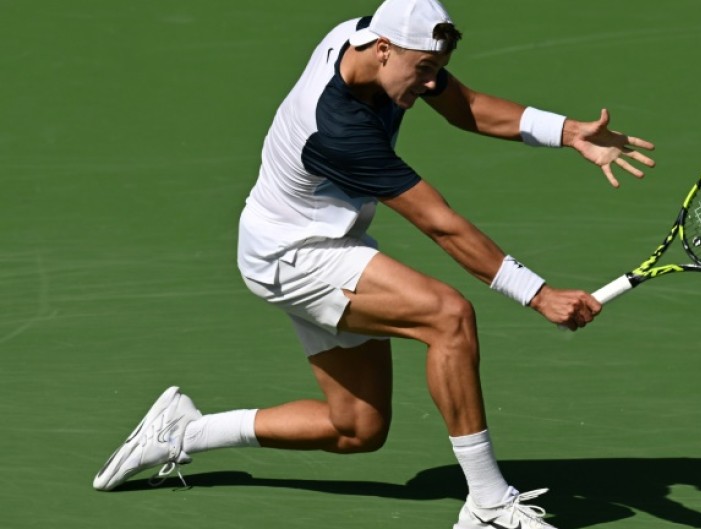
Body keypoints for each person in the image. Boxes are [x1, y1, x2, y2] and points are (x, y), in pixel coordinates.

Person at [92, 0, 655, 527]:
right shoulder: (338, 128)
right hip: (296, 257)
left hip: (308, 239)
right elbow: (441, 223)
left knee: (356, 428)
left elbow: (468, 108)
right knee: (448, 318)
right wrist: (538, 294)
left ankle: (184, 432)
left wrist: (567, 131)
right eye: (424, 69)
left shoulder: (365, 40)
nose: (432, 82)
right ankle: (487, 504)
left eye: (439, 67)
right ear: (384, 48)